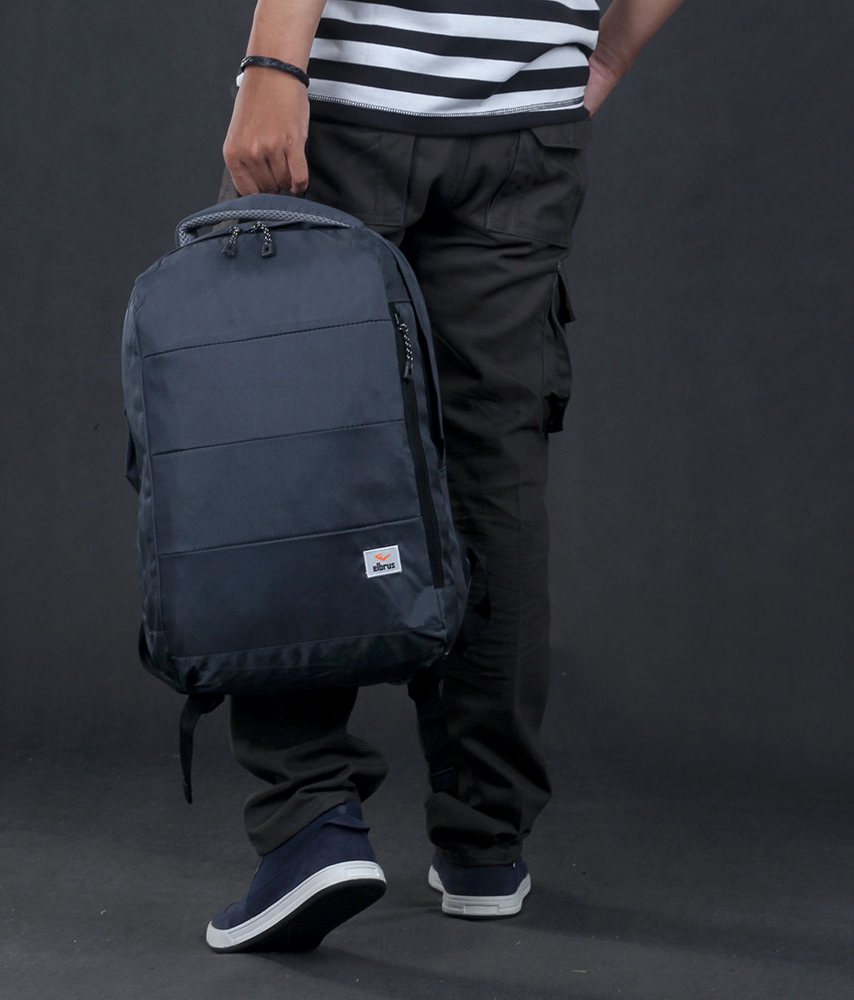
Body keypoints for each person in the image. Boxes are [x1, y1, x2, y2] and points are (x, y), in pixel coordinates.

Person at [205, 0, 685, 954]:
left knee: (290, 448)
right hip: (526, 126)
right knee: (492, 465)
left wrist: (275, 65)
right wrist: (597, 61)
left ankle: (309, 821)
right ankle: (485, 839)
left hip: (348, 106)